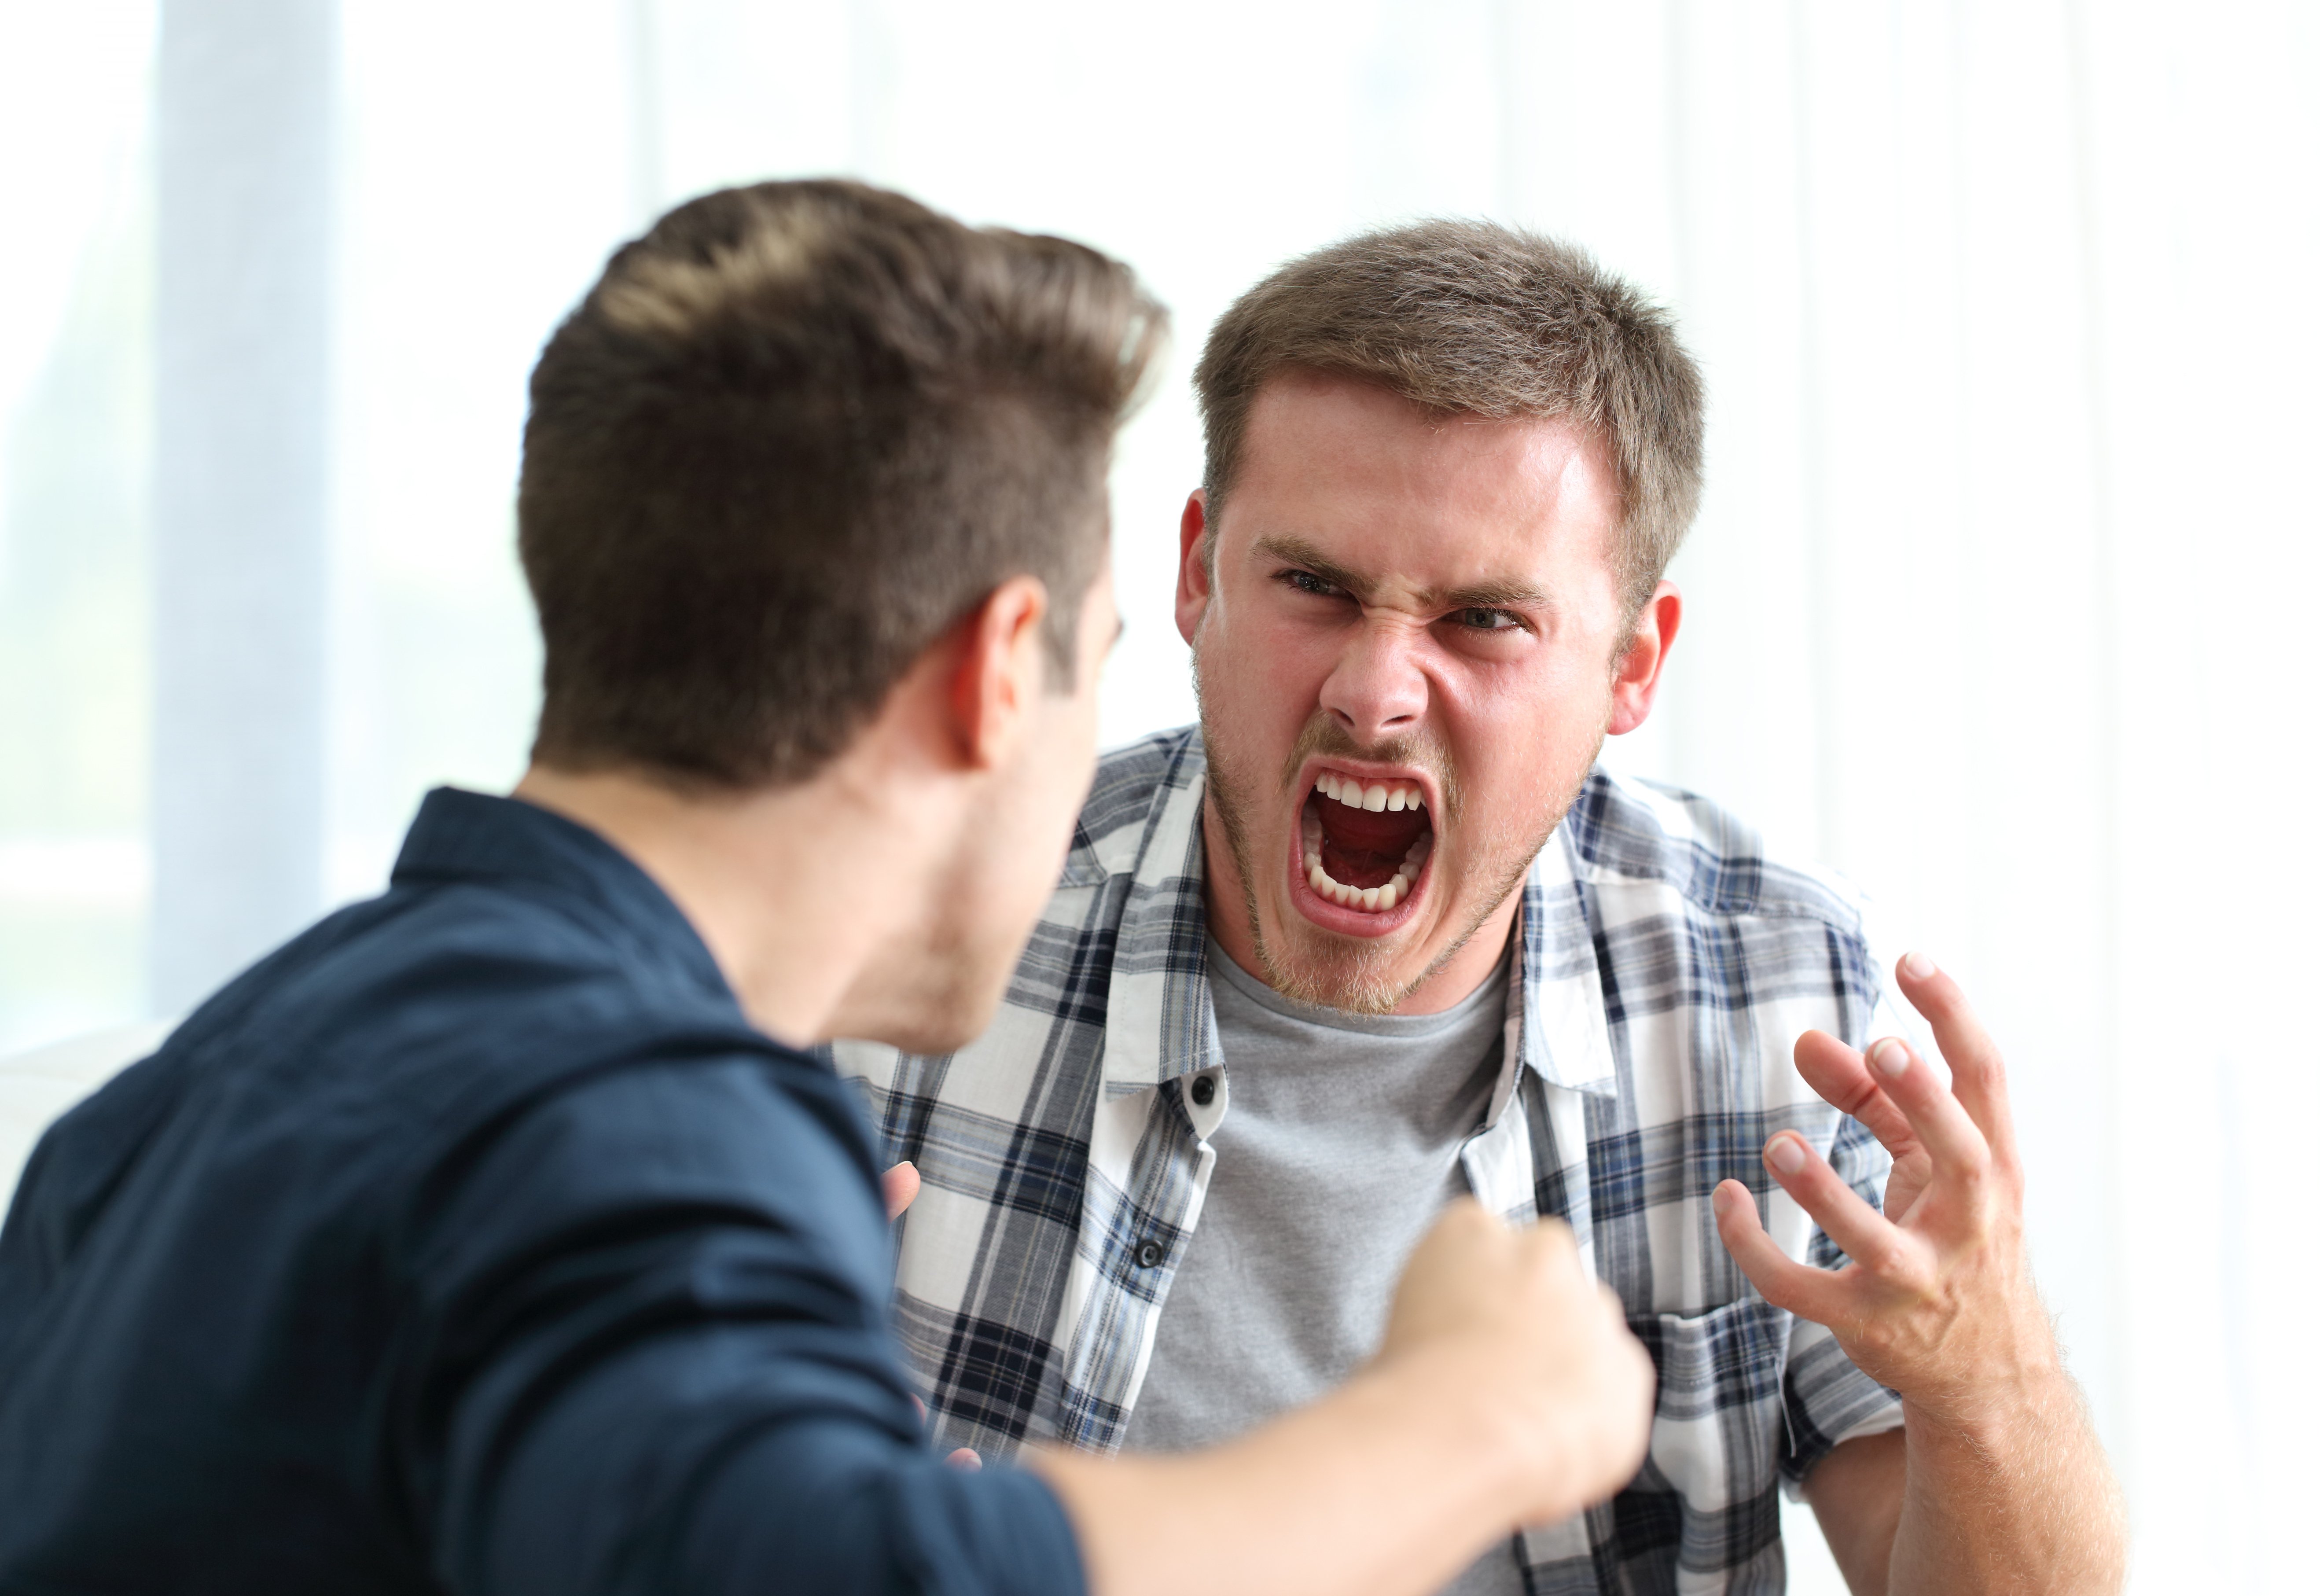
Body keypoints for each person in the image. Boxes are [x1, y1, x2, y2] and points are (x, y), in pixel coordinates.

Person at [0, 183, 1660, 1596]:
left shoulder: (199, 1093)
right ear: (999, 673)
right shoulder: (639, 1117)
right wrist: (1468, 1419)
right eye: (1098, 658)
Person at [842, 221, 2129, 1594]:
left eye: (1483, 622)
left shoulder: (1769, 994)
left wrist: (1988, 1382)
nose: (1376, 691)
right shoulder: (902, 942)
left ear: (1632, 666)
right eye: (1317, 587)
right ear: (1197, 570)